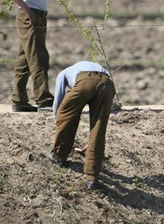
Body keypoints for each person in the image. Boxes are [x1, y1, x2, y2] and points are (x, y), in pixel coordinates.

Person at [42, 61, 115, 189]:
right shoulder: (97, 67)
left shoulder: (63, 73)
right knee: (98, 129)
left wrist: (57, 118)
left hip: (85, 82)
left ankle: (59, 156)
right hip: (107, 83)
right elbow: (107, 83)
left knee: (66, 114)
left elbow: (58, 100)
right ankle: (92, 178)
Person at [4, 0, 54, 112]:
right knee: (39, 57)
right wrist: (28, 11)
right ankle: (44, 100)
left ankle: (19, 100)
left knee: (25, 59)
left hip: (36, 15)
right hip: (31, 16)